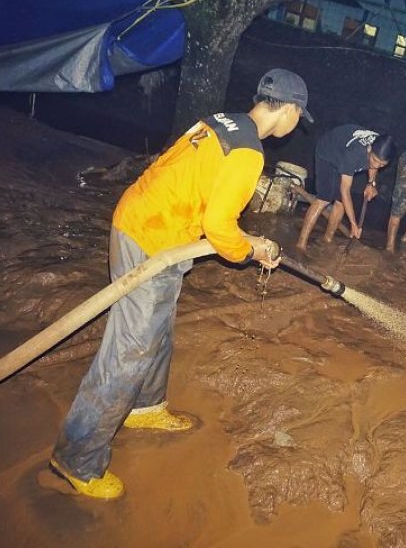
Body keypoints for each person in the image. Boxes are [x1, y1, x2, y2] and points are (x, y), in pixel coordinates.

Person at [50, 68, 311, 499]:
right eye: (299, 115)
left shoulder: (222, 121)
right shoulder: (249, 154)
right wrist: (249, 252)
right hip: (151, 236)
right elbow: (220, 228)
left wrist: (253, 240)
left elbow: (204, 199)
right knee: (128, 352)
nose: (297, 123)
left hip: (154, 223)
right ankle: (76, 458)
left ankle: (145, 407)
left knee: (158, 327)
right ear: (288, 109)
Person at [296, 125, 395, 252]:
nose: (376, 165)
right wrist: (353, 223)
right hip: (328, 153)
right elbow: (345, 190)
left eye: (382, 165)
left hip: (342, 154)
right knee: (324, 199)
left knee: (341, 203)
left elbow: (374, 165)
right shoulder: (355, 154)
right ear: (369, 149)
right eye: (375, 160)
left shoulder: (380, 146)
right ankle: (301, 244)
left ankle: (327, 239)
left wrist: (371, 183)